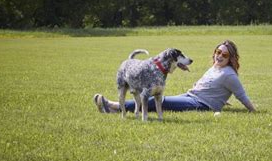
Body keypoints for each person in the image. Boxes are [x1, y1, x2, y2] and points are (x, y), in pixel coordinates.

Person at [93, 40, 256, 114]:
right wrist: (221, 98)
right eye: (217, 52)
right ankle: (121, 108)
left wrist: (254, 111)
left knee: (159, 101)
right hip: (192, 96)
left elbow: (241, 95)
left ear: (231, 58)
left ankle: (113, 106)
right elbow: (213, 85)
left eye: (224, 54)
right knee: (160, 99)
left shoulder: (230, 75)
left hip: (201, 104)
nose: (219, 56)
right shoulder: (217, 67)